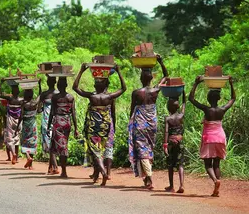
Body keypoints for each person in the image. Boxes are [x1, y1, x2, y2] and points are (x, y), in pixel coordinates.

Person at [73, 64, 126, 186]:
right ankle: (101, 173)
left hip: (93, 127)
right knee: (103, 149)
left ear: (96, 86)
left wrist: (81, 70)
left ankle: (104, 173)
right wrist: (118, 71)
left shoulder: (92, 96)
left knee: (95, 151)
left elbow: (75, 87)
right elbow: (123, 88)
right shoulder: (109, 97)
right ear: (106, 85)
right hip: (106, 127)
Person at [189, 75, 235, 197]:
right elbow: (233, 99)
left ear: (208, 99)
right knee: (217, 164)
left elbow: (191, 98)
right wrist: (230, 83)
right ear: (218, 99)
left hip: (209, 139)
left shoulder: (206, 110)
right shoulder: (222, 110)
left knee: (207, 164)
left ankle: (215, 181)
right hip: (220, 137)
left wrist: (196, 83)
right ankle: (216, 189)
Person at [128, 55, 168, 190]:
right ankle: (146, 177)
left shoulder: (136, 92)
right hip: (152, 123)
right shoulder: (156, 90)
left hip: (139, 123)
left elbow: (132, 109)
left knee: (141, 149)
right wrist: (161, 61)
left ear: (141, 78)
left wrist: (130, 123)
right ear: (151, 79)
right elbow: (166, 77)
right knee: (148, 147)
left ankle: (149, 177)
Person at [47, 77, 78, 178]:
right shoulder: (71, 97)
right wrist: (76, 128)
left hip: (58, 123)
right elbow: (73, 113)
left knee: (61, 147)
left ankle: (64, 171)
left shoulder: (55, 97)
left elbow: (52, 112)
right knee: (64, 145)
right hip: (67, 122)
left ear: (58, 86)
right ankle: (63, 170)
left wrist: (48, 126)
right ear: (66, 85)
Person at [163, 91, 186, 193]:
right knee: (180, 164)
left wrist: (165, 145)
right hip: (180, 141)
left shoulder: (168, 118)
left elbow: (166, 132)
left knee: (170, 164)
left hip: (171, 142)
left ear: (169, 108)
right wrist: (183, 92)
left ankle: (171, 186)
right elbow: (184, 103)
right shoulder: (181, 115)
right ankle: (181, 185)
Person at [17, 80, 41, 169]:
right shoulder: (34, 103)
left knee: (24, 141)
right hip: (33, 125)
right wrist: (39, 84)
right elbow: (40, 95)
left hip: (26, 125)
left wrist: (17, 128)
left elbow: (21, 116)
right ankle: (31, 165)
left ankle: (27, 156)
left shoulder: (24, 104)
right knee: (32, 142)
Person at [0, 79, 23, 164]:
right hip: (19, 121)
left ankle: (14, 154)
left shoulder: (9, 98)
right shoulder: (21, 100)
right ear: (18, 91)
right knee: (17, 139)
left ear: (12, 92)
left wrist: (1, 83)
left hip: (10, 120)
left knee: (10, 139)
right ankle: (17, 157)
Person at [39, 75, 59, 174]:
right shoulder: (58, 94)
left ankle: (55, 166)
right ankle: (50, 167)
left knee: (49, 143)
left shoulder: (44, 94)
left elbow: (38, 109)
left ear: (47, 83)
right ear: (55, 82)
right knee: (53, 142)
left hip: (47, 120)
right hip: (57, 119)